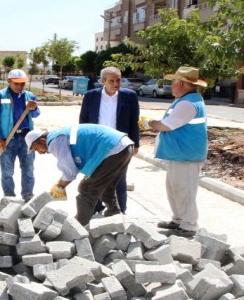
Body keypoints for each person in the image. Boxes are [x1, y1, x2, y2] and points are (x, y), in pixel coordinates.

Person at [140, 66, 208, 237]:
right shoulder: (187, 99)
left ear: (181, 83)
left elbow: (167, 125)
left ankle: (189, 225)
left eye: (173, 82)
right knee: (175, 189)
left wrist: (149, 123)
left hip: (185, 155)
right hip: (180, 154)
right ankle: (178, 219)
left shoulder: (187, 103)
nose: (171, 85)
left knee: (184, 191)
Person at [26, 124, 134, 226]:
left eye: (36, 149)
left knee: (87, 189)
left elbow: (70, 171)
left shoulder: (54, 141)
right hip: (122, 146)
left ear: (42, 141)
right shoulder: (57, 136)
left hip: (112, 148)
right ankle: (114, 215)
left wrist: (60, 186)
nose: (40, 153)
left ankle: (78, 227)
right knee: (106, 185)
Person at [79, 66, 139, 214]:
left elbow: (134, 122)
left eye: (118, 80)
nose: (116, 83)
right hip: (97, 145)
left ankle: (120, 210)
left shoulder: (129, 96)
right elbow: (83, 122)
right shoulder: (91, 96)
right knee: (95, 177)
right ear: (102, 81)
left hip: (121, 144)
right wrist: (84, 144)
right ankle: (96, 208)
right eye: (112, 80)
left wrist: (135, 143)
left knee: (119, 179)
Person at [0, 69, 40, 202]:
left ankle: (28, 196)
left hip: (27, 139)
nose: (20, 87)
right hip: (7, 139)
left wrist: (34, 108)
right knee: (7, 172)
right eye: (16, 84)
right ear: (9, 81)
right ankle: (10, 199)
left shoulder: (29, 96)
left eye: (22, 84)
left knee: (28, 170)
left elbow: (35, 114)